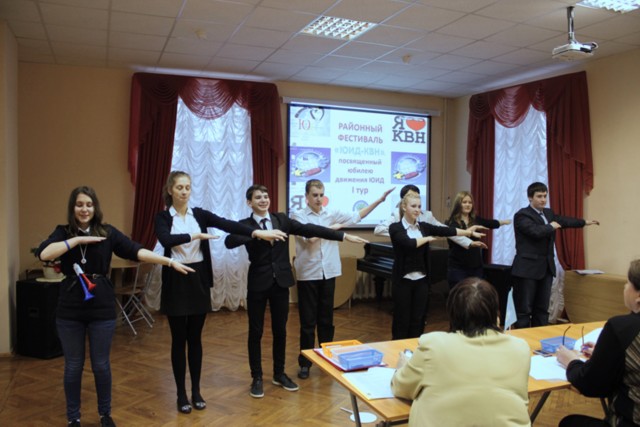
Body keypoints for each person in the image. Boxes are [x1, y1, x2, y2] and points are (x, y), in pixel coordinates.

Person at [36, 186, 194, 427]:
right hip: (70, 309)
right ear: (73, 208)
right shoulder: (63, 232)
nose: (84, 209)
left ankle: (105, 414)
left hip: (101, 308)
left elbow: (136, 251)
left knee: (101, 365)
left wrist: (169, 261)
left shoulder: (107, 233)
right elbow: (44, 254)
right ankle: (73, 418)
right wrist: (77, 240)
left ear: (95, 207)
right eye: (79, 204)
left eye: (89, 204)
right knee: (73, 366)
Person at [154, 171, 285, 415]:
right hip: (176, 279)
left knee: (195, 339)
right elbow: (166, 240)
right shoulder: (162, 217)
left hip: (198, 279)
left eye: (188, 187)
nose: (184, 191)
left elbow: (228, 224)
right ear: (170, 190)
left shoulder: (199, 214)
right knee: (178, 340)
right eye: (180, 187)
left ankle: (196, 391)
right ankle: (181, 393)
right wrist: (195, 235)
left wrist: (256, 232)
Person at [224, 184, 368, 398]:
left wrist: (344, 236)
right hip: (258, 284)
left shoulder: (281, 220)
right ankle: (257, 377)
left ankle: (279, 374)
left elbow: (311, 229)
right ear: (249, 202)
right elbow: (229, 241)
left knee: (280, 331)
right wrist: (257, 234)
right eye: (258, 197)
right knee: (256, 332)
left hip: (281, 283)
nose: (263, 200)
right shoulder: (245, 225)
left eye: (265, 196)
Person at [391, 277, 531, 427]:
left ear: (453, 313)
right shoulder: (520, 348)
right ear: (495, 314)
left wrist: (401, 368)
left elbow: (402, 388)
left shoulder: (434, 346)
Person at [292, 179, 393, 379]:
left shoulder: (330, 213)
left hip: (329, 271)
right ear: (306, 197)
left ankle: (326, 359)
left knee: (326, 320)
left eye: (321, 195)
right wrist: (335, 228)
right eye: (314, 195)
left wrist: (379, 201)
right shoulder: (298, 216)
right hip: (308, 273)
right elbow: (310, 238)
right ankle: (305, 363)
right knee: (308, 322)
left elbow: (357, 216)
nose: (319, 199)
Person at [389, 191, 485, 339]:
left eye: (419, 206)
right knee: (402, 319)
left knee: (418, 318)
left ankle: (415, 347)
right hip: (402, 282)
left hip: (422, 280)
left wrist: (468, 232)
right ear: (404, 207)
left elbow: (446, 230)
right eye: (413, 206)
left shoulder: (423, 227)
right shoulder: (395, 228)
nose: (417, 210)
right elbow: (409, 243)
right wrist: (427, 239)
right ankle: (398, 348)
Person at [556, 259, 640, 427]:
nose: (625, 287)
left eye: (628, 283)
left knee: (569, 423)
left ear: (638, 296)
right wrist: (605, 354)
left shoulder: (621, 328)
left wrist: (571, 361)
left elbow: (590, 384)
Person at [511, 182, 599, 328]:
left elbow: (564, 221)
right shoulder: (522, 215)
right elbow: (534, 231)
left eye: (545, 196)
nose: (543, 200)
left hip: (546, 268)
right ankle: (523, 338)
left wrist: (584, 222)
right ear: (530, 198)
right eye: (539, 196)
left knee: (542, 309)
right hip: (527, 270)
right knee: (524, 310)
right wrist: (550, 226)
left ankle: (540, 337)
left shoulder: (548, 213)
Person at [374, 184, 476, 251]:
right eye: (410, 196)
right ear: (403, 202)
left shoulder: (427, 215)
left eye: (417, 196)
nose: (415, 199)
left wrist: (469, 242)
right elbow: (378, 230)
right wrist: (401, 235)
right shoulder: (397, 214)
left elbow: (446, 230)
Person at [445, 190, 511, 289]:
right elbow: (457, 239)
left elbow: (489, 223)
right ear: (458, 204)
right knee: (460, 295)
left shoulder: (475, 219)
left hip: (475, 267)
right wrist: (470, 231)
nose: (468, 205)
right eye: (464, 202)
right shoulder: (451, 222)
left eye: (470, 202)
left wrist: (504, 222)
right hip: (458, 268)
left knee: (476, 294)